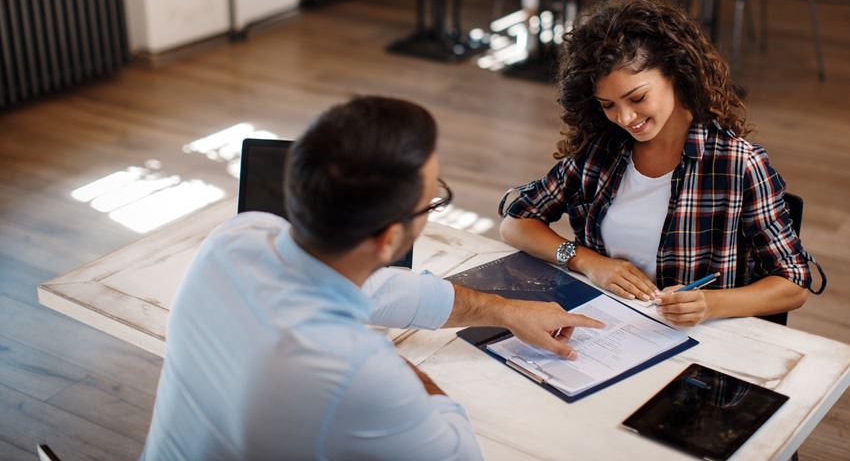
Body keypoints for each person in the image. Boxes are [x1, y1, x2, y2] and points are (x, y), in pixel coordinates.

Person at [141, 96, 604, 461]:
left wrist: (506, 309)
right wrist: (395, 370)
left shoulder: (237, 237)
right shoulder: (357, 372)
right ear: (387, 240)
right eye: (431, 202)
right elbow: (458, 450)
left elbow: (387, 290)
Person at [499, 0, 820, 327]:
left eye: (637, 98)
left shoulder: (739, 166)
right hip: (604, 332)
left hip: (698, 349)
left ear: (676, 73)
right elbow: (516, 224)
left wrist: (710, 304)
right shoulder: (600, 152)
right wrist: (589, 262)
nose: (624, 118)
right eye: (608, 105)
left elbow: (794, 283)